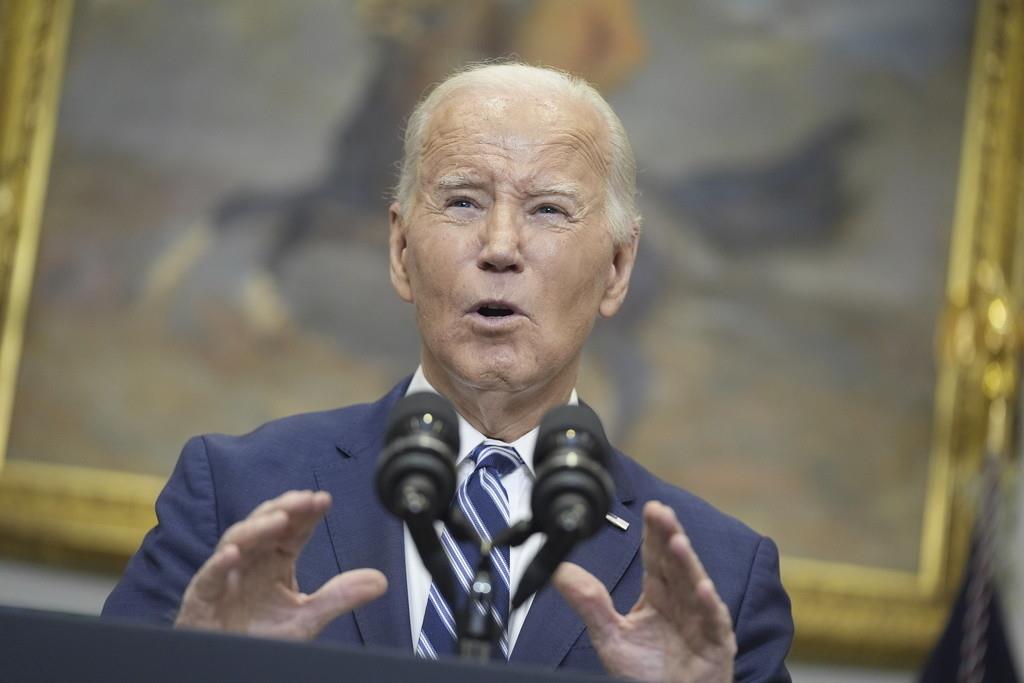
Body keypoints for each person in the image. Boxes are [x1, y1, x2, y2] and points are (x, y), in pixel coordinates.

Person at [103, 62, 794, 682]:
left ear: (617, 269)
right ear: (401, 250)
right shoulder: (233, 495)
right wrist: (194, 675)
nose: (499, 247)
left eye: (548, 209)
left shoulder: (723, 577)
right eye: (463, 201)